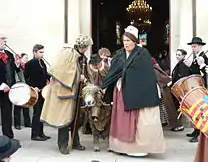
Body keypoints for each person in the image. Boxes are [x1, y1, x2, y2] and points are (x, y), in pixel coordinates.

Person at [102, 25, 165, 157]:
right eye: (124, 41)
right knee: (122, 119)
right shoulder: (119, 54)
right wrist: (105, 86)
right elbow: (113, 72)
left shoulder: (142, 54)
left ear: (135, 41)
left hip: (138, 93)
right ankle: (121, 146)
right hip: (122, 92)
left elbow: (146, 74)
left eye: (129, 41)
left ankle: (138, 147)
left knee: (139, 121)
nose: (126, 44)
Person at [40, 35, 93, 155]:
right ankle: (62, 145)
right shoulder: (68, 54)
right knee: (64, 120)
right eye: (87, 46)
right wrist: (79, 77)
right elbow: (60, 71)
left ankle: (75, 142)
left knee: (75, 119)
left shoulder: (82, 57)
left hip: (76, 94)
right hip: (65, 93)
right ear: (83, 46)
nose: (87, 49)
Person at [183, 37, 208, 143]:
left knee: (200, 110)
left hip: (200, 85)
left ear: (199, 46)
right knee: (195, 109)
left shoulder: (204, 57)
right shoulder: (197, 57)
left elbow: (202, 73)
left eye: (194, 46)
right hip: (195, 85)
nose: (193, 49)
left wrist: (191, 66)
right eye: (192, 47)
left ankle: (199, 133)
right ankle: (195, 130)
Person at [24, 45, 50, 141]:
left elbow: (45, 74)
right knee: (37, 112)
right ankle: (35, 134)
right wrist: (33, 86)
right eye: (40, 52)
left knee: (42, 112)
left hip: (43, 90)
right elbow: (26, 77)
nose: (42, 54)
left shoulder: (42, 62)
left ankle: (41, 132)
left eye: (43, 52)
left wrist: (49, 78)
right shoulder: (30, 64)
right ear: (34, 52)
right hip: (35, 90)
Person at [152, 57, 184, 131]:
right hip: (163, 90)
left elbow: (162, 79)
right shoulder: (155, 67)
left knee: (167, 108)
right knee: (165, 108)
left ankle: (176, 125)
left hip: (162, 91)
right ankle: (172, 124)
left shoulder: (153, 69)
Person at [13, 53, 31, 130]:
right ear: (21, 59)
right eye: (25, 58)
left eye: (27, 58)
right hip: (19, 87)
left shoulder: (27, 67)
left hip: (26, 87)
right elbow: (16, 75)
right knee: (17, 106)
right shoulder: (18, 66)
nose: (27, 59)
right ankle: (17, 124)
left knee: (26, 105)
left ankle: (27, 122)